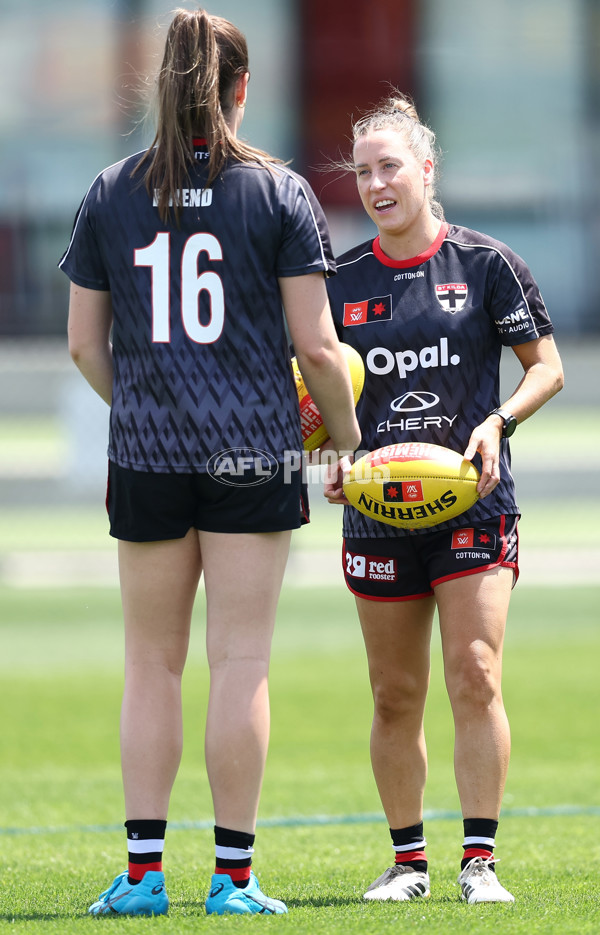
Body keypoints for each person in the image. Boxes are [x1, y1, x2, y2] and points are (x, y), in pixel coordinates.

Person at [59, 7, 360, 918]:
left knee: (150, 662)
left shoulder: (110, 189)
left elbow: (82, 347)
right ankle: (233, 879)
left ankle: (144, 874)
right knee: (241, 660)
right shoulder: (278, 193)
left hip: (149, 454)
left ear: (162, 83)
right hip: (251, 450)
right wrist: (347, 443)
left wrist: (149, 407)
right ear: (240, 88)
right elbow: (317, 346)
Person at [324, 92, 564, 905]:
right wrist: (327, 449)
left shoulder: (487, 265)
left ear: (427, 169)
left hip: (474, 502)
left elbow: (548, 368)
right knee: (395, 692)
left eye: (390, 166)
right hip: (378, 509)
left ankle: (479, 862)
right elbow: (317, 396)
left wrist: (497, 422)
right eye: (362, 172)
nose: (375, 183)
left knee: (475, 672)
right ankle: (407, 863)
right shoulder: (339, 282)